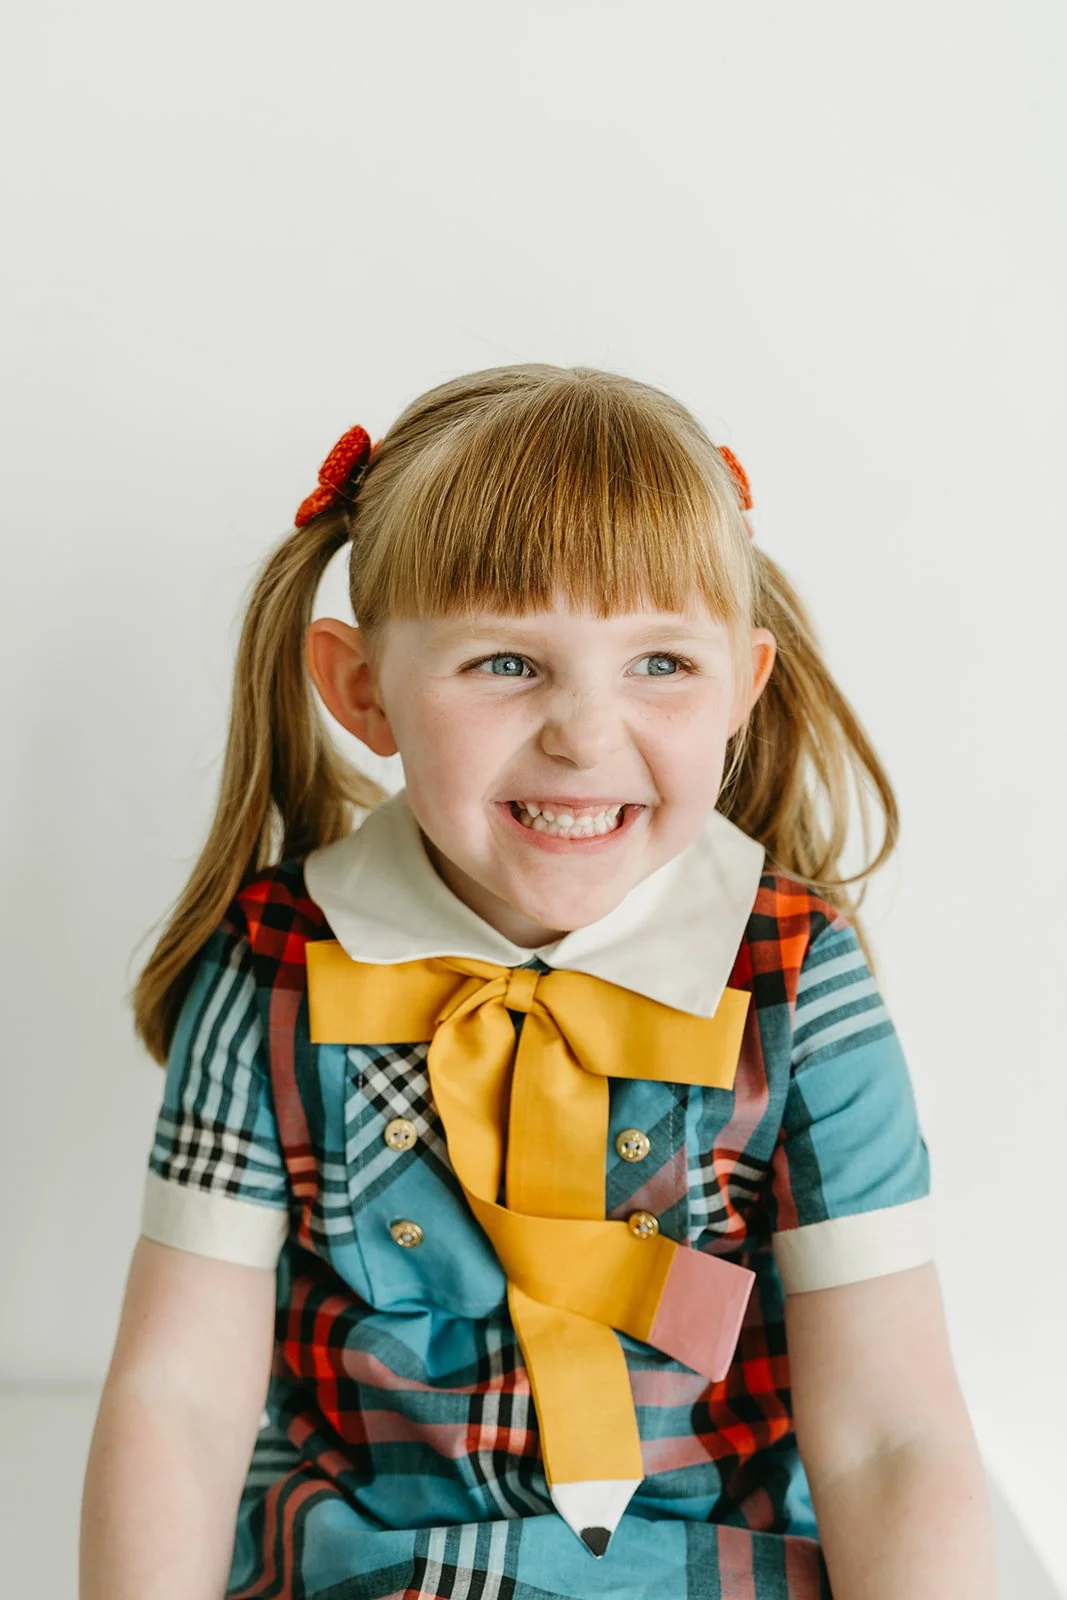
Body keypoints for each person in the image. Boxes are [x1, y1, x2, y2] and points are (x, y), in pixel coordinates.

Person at [80, 364, 995, 1600]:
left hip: (706, 1574)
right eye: (507, 661)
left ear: (741, 686)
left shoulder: (795, 984)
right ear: (362, 688)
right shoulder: (276, 971)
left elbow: (894, 1436)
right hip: (369, 1572)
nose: (583, 728)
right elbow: (179, 1400)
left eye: (660, 663)